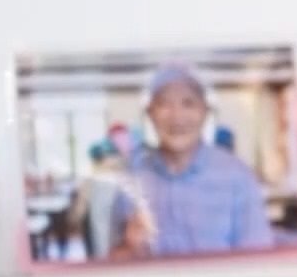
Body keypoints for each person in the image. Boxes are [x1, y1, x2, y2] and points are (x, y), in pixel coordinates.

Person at [111, 63, 275, 258]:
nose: (177, 117)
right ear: (150, 113)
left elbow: (259, 262)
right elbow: (110, 261)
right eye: (164, 104)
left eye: (188, 103)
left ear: (205, 112)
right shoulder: (133, 176)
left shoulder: (237, 177)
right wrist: (131, 248)